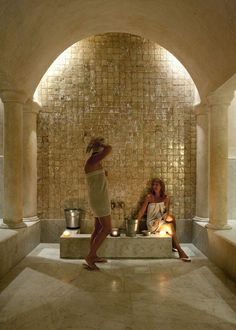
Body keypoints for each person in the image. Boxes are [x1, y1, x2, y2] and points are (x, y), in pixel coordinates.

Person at [137, 178, 191, 262]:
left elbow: (166, 213)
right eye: (153, 185)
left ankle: (173, 244)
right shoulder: (149, 197)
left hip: (160, 219)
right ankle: (180, 251)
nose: (154, 186)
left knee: (172, 217)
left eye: (156, 185)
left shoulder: (166, 198)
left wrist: (163, 218)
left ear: (161, 187)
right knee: (170, 226)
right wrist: (136, 225)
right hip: (152, 223)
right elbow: (141, 212)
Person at [84, 137, 112, 270]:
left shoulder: (95, 162)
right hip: (99, 200)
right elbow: (109, 149)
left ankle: (93, 254)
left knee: (97, 228)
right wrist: (100, 143)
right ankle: (90, 256)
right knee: (107, 228)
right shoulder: (93, 160)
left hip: (99, 199)